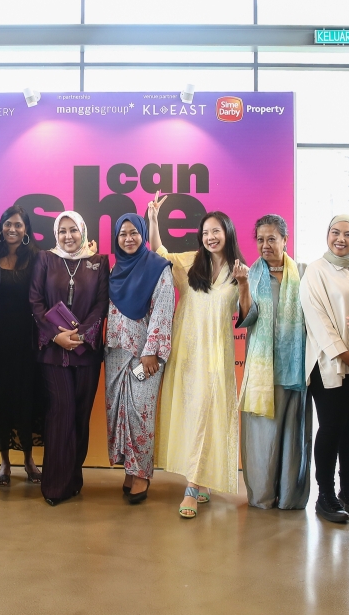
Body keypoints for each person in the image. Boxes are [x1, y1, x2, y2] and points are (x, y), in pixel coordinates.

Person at [146, 195, 245, 519]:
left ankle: (194, 485)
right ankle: (197, 482)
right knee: (193, 416)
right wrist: (154, 219)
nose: (210, 237)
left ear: (227, 233)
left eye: (215, 231)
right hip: (188, 352)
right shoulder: (190, 262)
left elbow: (247, 314)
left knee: (209, 413)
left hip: (217, 354)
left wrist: (244, 285)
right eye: (205, 232)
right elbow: (159, 252)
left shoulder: (239, 271)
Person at [299, 215, 349, 524]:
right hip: (329, 363)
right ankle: (325, 495)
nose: (341, 238)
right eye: (335, 232)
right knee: (332, 426)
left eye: (348, 234)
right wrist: (342, 352)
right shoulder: (315, 271)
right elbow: (316, 318)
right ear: (327, 234)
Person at [29, 211, 110, 506]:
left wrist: (83, 334)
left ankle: (74, 478)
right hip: (52, 352)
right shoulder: (45, 259)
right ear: (55, 233)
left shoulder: (99, 262)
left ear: (83, 230)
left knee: (79, 416)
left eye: (73, 230)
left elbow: (102, 302)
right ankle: (54, 485)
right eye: (62, 230)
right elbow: (35, 300)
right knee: (60, 412)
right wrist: (55, 335)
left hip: (86, 352)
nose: (67, 236)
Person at [236, 214, 311, 510]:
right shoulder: (250, 274)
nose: (265, 245)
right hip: (262, 370)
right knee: (262, 436)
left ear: (285, 240)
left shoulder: (303, 273)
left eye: (271, 239)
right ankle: (262, 496)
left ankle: (290, 497)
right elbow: (246, 318)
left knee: (293, 436)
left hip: (294, 368)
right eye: (260, 240)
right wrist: (242, 285)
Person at [104, 213, 174, 505]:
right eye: (123, 234)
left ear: (143, 233)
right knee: (118, 412)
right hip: (116, 353)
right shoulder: (116, 269)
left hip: (144, 356)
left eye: (134, 232)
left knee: (139, 414)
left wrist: (151, 351)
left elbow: (164, 306)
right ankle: (130, 469)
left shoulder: (157, 267)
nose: (129, 239)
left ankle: (142, 474)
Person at [0, 206, 45, 486]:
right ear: (1, 227)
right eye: (8, 224)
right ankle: (5, 463)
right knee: (1, 401)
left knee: (27, 400)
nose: (12, 229)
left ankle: (29, 460)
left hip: (28, 342)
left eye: (18, 225)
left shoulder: (36, 258)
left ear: (26, 230)